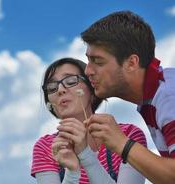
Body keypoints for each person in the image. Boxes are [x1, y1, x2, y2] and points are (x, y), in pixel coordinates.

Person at [81, 10, 175, 184]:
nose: (88, 71)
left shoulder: (169, 96)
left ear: (132, 63)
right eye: (88, 60)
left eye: (98, 61)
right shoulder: (156, 96)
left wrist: (122, 143)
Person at [31, 57, 146, 184]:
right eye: (52, 87)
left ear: (92, 89)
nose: (60, 90)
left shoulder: (127, 135)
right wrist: (72, 172)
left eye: (70, 81)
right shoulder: (46, 148)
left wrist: (85, 154)